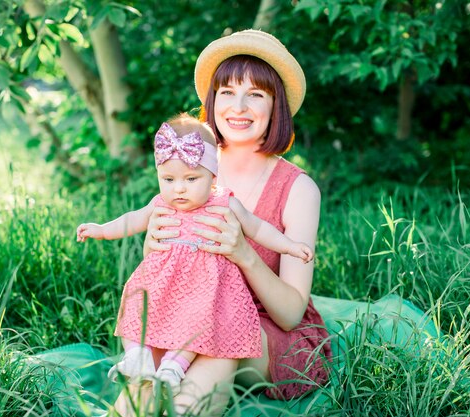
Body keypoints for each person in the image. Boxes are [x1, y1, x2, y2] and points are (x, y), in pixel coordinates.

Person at [110, 29, 333, 416]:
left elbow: (290, 312)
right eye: (227, 92)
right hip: (191, 318)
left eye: (256, 95)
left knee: (214, 330)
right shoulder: (190, 171)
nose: (239, 106)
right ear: (212, 101)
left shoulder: (299, 189)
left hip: (272, 336)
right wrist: (153, 247)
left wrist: (243, 253)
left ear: (275, 106)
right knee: (164, 339)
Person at [76, 114, 315, 395]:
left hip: (205, 290)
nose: (179, 188)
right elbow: (131, 220)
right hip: (167, 287)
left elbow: (259, 229)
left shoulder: (225, 202)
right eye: (168, 179)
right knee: (137, 305)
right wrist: (101, 229)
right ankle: (137, 356)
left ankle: (176, 364)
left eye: (191, 178)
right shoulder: (161, 204)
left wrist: (289, 246)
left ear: (212, 178)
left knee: (199, 318)